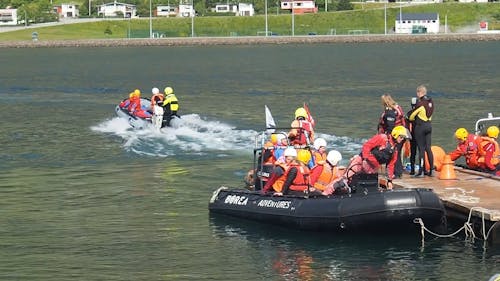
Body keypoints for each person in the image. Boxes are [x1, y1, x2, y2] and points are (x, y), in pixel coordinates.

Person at [333, 125, 410, 191]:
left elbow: (390, 165)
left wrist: (389, 180)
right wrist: (366, 159)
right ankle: (328, 192)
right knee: (345, 179)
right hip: (361, 161)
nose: (402, 139)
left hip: (372, 168)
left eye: (403, 138)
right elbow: (367, 146)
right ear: (396, 135)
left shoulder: (394, 150)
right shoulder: (382, 138)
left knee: (369, 185)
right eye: (401, 137)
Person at [407, 85, 434, 177]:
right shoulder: (431, 102)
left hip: (420, 126)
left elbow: (411, 116)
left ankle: (421, 171)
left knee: (421, 149)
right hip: (429, 125)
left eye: (417, 93)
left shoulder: (421, 103)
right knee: (428, 148)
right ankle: (431, 170)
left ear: (419, 92)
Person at [377, 94, 406, 178]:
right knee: (397, 152)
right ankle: (398, 172)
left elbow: (390, 126)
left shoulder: (390, 112)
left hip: (395, 135)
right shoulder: (397, 108)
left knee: (393, 154)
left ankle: (395, 173)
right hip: (402, 133)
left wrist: (387, 137)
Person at [406, 97, 418, 175]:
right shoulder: (421, 112)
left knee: (413, 153)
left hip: (412, 134)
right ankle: (423, 169)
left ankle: (412, 170)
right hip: (420, 135)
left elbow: (406, 124)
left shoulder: (409, 113)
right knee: (421, 151)